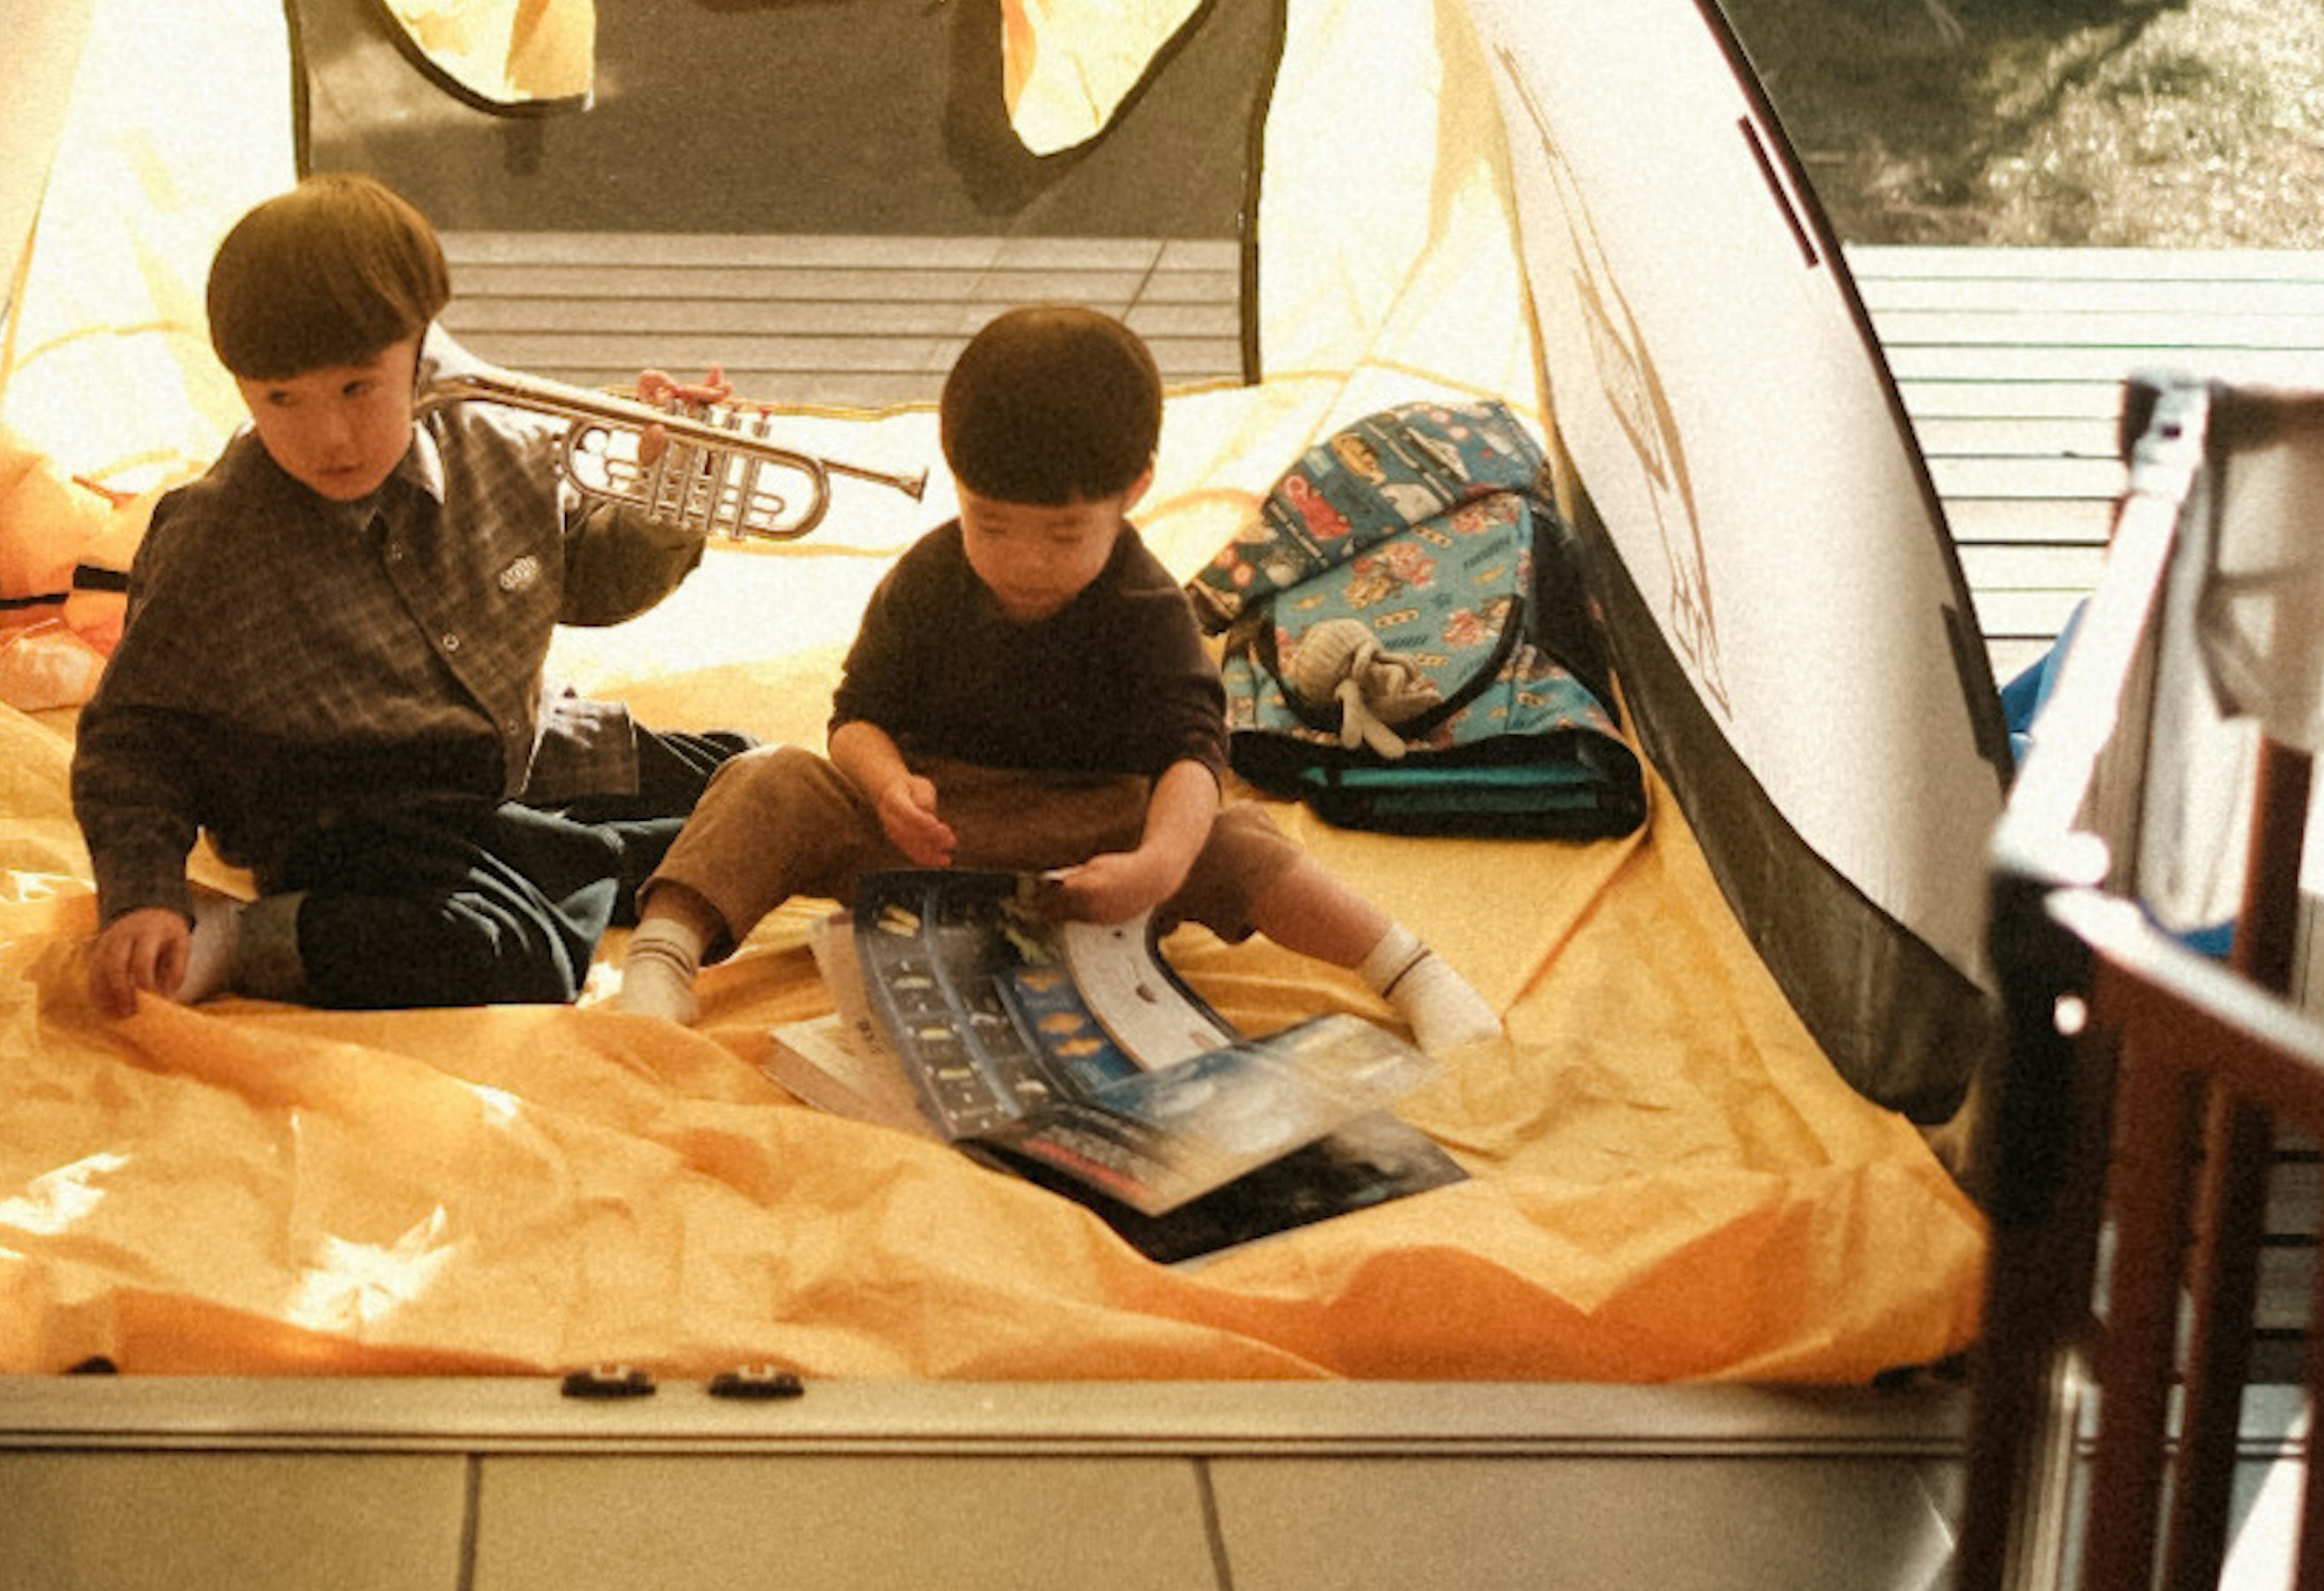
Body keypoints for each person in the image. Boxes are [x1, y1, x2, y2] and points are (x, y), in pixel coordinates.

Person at [612, 301, 1499, 1049]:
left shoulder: (1145, 604)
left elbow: (1195, 754)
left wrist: (1156, 862)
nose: (1023, 559)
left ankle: (1409, 968)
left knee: (1237, 839)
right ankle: (662, 955)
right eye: (989, 522)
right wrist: (888, 789)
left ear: (1136, 487)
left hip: (1092, 852)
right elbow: (856, 715)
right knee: (766, 778)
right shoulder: (931, 573)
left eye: (1064, 533)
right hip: (933, 838)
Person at [74, 175, 739, 1017]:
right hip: (345, 813)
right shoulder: (216, 537)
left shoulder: (503, 442)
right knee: (505, 954)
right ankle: (249, 937)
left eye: (359, 387)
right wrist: (142, 889)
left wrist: (664, 501)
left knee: (753, 784)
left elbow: (593, 583)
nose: (330, 438)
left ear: (420, 348)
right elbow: (137, 739)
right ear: (242, 386)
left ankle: (567, 860)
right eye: (282, 399)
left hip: (513, 752)